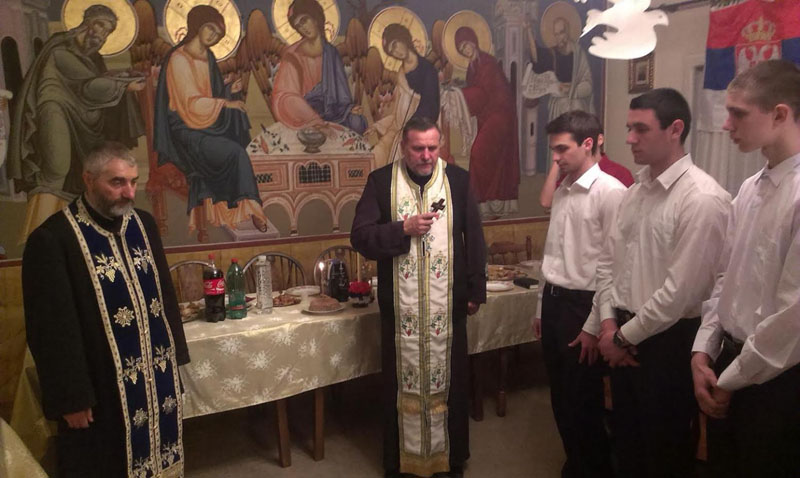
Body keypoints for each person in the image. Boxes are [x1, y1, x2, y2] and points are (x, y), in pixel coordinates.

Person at [584, 88, 731, 477]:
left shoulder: (701, 198)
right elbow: (609, 265)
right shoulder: (636, 193)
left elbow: (680, 292)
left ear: (675, 129)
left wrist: (620, 338)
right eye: (629, 128)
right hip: (623, 330)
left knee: (664, 450)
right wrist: (609, 324)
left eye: (641, 129)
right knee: (627, 442)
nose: (630, 138)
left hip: (668, 341)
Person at [22, 141, 190, 478]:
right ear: (88, 179)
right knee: (103, 463)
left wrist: (176, 361)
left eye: (133, 181)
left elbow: (164, 297)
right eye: (117, 182)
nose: (129, 192)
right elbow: (50, 330)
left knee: (162, 455)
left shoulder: (143, 225)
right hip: (99, 386)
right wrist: (71, 397)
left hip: (155, 375)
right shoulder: (54, 239)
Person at [351, 117, 486, 478]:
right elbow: (360, 237)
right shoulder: (381, 182)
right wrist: (402, 229)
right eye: (418, 148)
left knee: (451, 382)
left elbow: (474, 236)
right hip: (401, 311)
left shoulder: (458, 180)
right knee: (400, 385)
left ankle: (449, 459)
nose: (426, 155)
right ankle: (402, 462)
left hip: (448, 306)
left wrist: (476, 290)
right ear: (403, 147)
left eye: (432, 147)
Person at [690, 59, 800, 478]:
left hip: (777, 378)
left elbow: (792, 315)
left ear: (779, 114)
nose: (726, 125)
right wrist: (703, 350)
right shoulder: (750, 189)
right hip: (730, 362)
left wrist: (732, 378)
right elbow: (726, 278)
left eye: (738, 113)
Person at [533, 111, 625, 478]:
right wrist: (540, 306)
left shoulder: (611, 192)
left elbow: (613, 265)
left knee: (582, 400)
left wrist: (593, 325)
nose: (555, 158)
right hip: (555, 301)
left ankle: (594, 470)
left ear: (588, 144)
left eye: (562, 149)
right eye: (553, 150)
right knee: (560, 396)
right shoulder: (563, 191)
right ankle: (576, 465)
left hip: (584, 305)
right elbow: (553, 253)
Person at [7, 4, 145, 242]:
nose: (103, 35)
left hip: (79, 120)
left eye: (108, 32)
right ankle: (36, 237)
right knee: (56, 170)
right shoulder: (61, 49)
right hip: (54, 111)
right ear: (88, 22)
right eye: (101, 26)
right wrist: (124, 86)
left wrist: (120, 77)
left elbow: (94, 80)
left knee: (80, 175)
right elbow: (89, 87)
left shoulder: (91, 56)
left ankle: (73, 237)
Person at [154, 4, 268, 233]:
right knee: (235, 152)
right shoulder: (178, 59)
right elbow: (189, 104)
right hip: (185, 131)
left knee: (237, 132)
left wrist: (228, 91)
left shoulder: (208, 57)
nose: (213, 36)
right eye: (210, 29)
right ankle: (251, 208)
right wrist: (225, 103)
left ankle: (241, 210)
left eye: (218, 34)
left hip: (207, 123)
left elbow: (211, 94)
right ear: (197, 26)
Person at [271, 0, 366, 136]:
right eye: (298, 26)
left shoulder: (331, 52)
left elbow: (341, 95)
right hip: (305, 113)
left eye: (304, 20)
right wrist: (314, 120)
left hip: (332, 112)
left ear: (315, 17)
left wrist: (349, 109)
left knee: (358, 122)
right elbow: (286, 96)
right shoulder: (292, 55)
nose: (303, 28)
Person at [455, 26, 520, 218]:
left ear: (474, 42)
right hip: (488, 116)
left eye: (466, 45)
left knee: (478, 153)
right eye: (461, 49)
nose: (466, 50)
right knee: (493, 159)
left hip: (501, 115)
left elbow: (483, 93)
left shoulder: (487, 63)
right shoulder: (472, 67)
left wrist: (459, 94)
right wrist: (460, 89)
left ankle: (486, 200)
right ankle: (487, 202)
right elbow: (476, 90)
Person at [366, 24, 440, 168]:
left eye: (395, 45)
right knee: (377, 153)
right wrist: (377, 126)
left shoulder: (427, 70)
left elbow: (430, 107)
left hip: (420, 130)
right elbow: (398, 113)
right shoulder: (401, 73)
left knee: (399, 154)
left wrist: (409, 129)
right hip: (399, 129)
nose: (396, 52)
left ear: (403, 38)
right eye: (391, 51)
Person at [539, 131, 633, 208]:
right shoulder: (570, 173)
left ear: (598, 140)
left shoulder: (619, 174)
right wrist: (559, 158)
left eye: (563, 148)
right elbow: (546, 202)